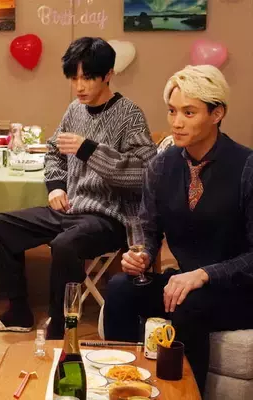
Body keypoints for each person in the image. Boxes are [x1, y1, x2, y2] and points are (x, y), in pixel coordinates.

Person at [0, 37, 157, 338]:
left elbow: (145, 172)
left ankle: (59, 327)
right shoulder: (75, 110)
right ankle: (18, 313)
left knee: (65, 245)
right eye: (74, 78)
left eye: (87, 77)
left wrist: (89, 150)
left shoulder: (129, 114)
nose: (79, 86)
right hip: (70, 209)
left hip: (109, 217)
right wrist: (56, 187)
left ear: (108, 75)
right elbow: (54, 152)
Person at [104, 65, 253, 393]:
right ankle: (122, 385)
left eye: (189, 112)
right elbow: (148, 230)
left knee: (188, 304)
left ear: (217, 113)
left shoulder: (247, 166)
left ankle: (183, 395)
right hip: (185, 286)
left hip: (240, 291)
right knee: (120, 288)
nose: (176, 122)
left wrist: (204, 274)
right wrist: (141, 255)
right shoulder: (161, 164)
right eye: (172, 111)